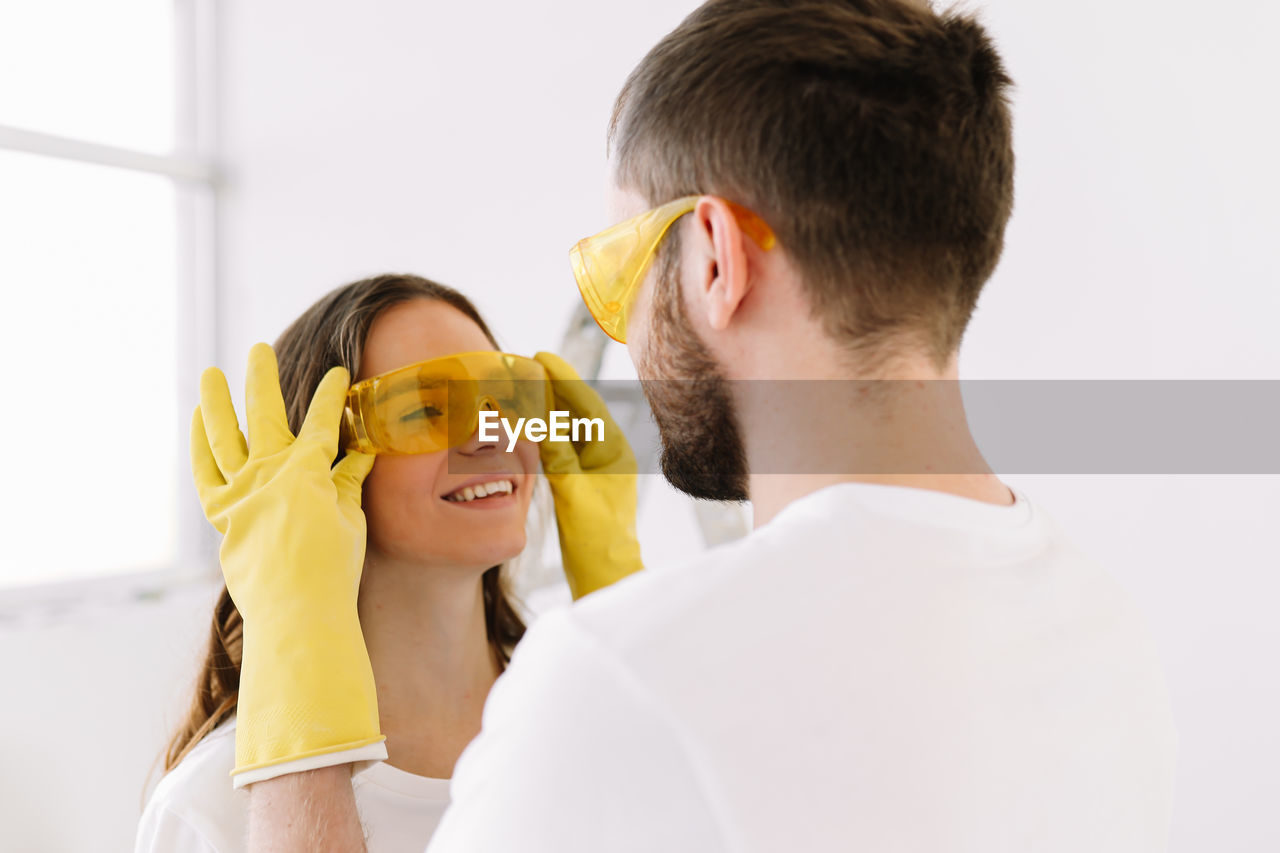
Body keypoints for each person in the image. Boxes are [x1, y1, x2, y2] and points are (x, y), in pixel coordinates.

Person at [196, 1, 1178, 850]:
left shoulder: (619, 685)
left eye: (618, 272)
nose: (621, 328)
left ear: (713, 256)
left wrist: (294, 663)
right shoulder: (1104, 626)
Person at [136, 273, 640, 851]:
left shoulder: (591, 711)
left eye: (506, 396)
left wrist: (623, 608)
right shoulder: (211, 813)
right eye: (427, 406)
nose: (493, 435)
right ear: (316, 469)